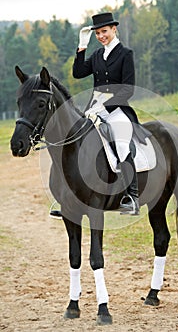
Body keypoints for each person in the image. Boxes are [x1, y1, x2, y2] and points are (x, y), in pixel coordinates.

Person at [72, 12, 141, 215]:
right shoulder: (96, 55)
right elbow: (77, 73)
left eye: (104, 31)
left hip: (118, 110)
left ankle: (132, 197)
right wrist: (82, 46)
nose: (101, 36)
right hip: (94, 109)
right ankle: (72, 195)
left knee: (120, 142)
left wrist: (105, 105)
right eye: (97, 33)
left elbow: (128, 89)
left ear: (114, 29)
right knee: (77, 141)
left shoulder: (125, 54)